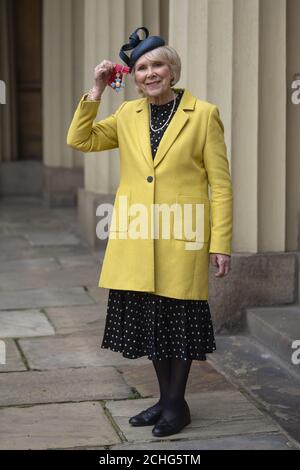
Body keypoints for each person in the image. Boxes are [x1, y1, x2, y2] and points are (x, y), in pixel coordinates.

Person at [67, 27, 233, 438]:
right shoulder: (127, 115)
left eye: (158, 64)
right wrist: (97, 89)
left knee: (179, 323)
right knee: (152, 324)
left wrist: (221, 243)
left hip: (184, 235)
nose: (150, 73)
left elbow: (222, 185)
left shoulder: (205, 113)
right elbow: (80, 139)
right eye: (141, 67)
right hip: (137, 238)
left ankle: (175, 406)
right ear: (134, 77)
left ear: (172, 70)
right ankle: (167, 401)